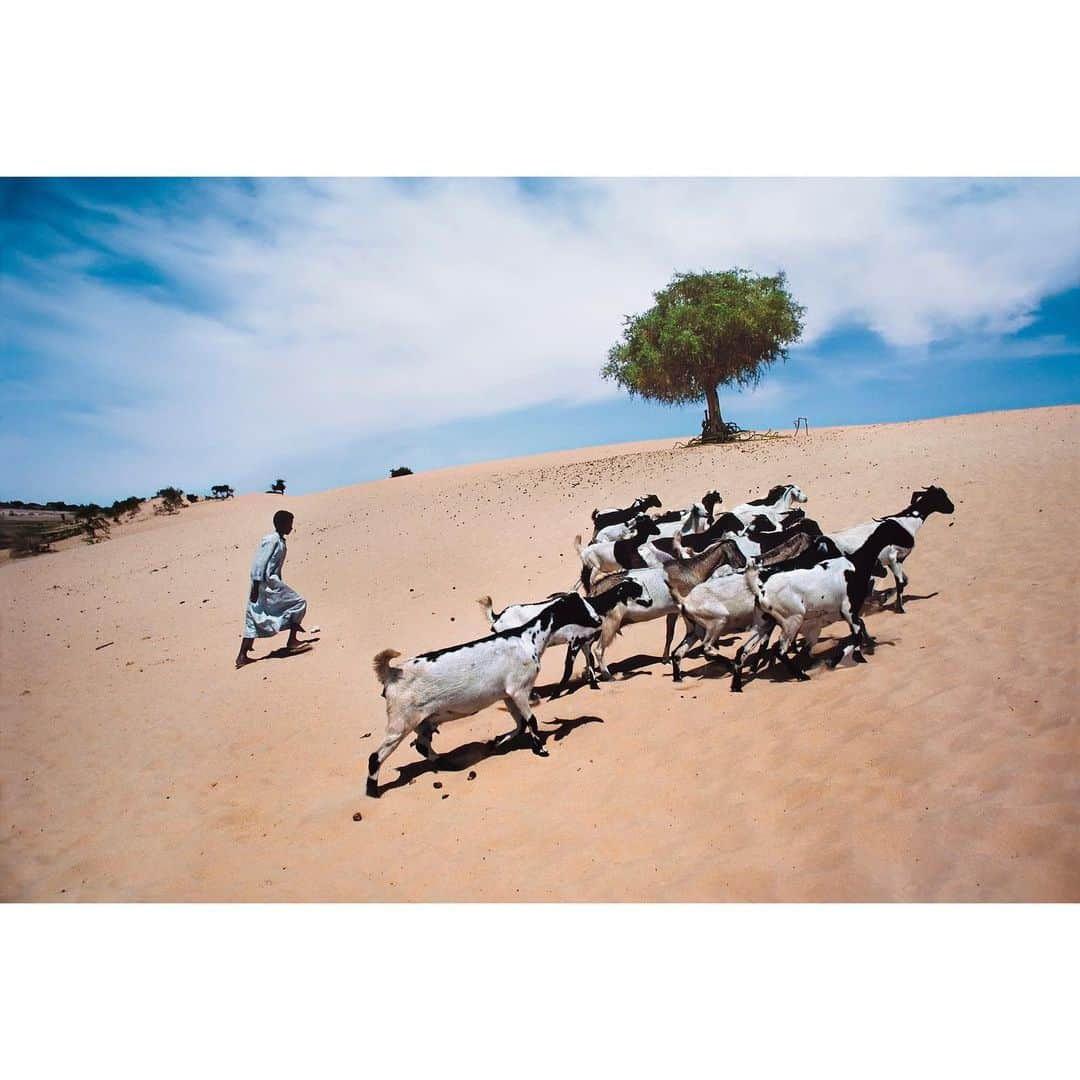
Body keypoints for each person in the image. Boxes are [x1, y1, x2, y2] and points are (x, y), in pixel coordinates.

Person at [235, 510, 313, 668]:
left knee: (255, 615)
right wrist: (256, 586)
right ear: (281, 524)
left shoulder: (279, 540)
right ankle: (292, 641)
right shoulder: (272, 540)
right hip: (266, 583)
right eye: (289, 523)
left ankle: (242, 656)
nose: (291, 527)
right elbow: (259, 562)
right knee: (299, 603)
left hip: (269, 583)